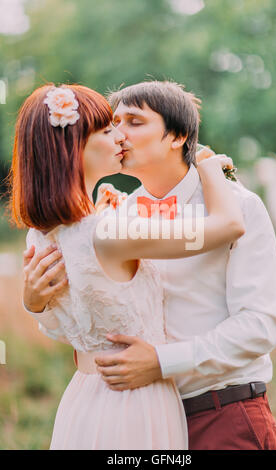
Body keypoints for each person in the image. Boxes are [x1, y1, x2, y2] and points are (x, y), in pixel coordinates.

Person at [10, 83, 245, 450]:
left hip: (84, 400)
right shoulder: (111, 231)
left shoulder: (41, 236)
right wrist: (210, 168)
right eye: (106, 130)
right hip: (137, 402)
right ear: (75, 149)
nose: (119, 136)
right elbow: (228, 226)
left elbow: (67, 327)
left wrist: (32, 303)